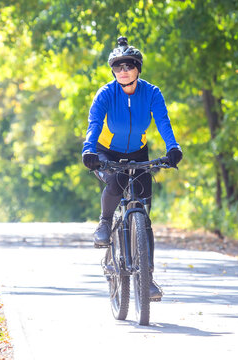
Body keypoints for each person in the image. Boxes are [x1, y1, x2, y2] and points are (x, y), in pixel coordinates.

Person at [82, 36, 183, 300]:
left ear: (138, 68)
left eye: (128, 65)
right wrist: (89, 150)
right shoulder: (106, 93)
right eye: (118, 67)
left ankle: (147, 278)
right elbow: (94, 123)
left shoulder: (152, 93)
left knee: (143, 214)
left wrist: (172, 148)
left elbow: (163, 122)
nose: (123, 71)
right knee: (116, 182)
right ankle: (105, 222)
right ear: (113, 70)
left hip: (138, 152)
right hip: (105, 151)